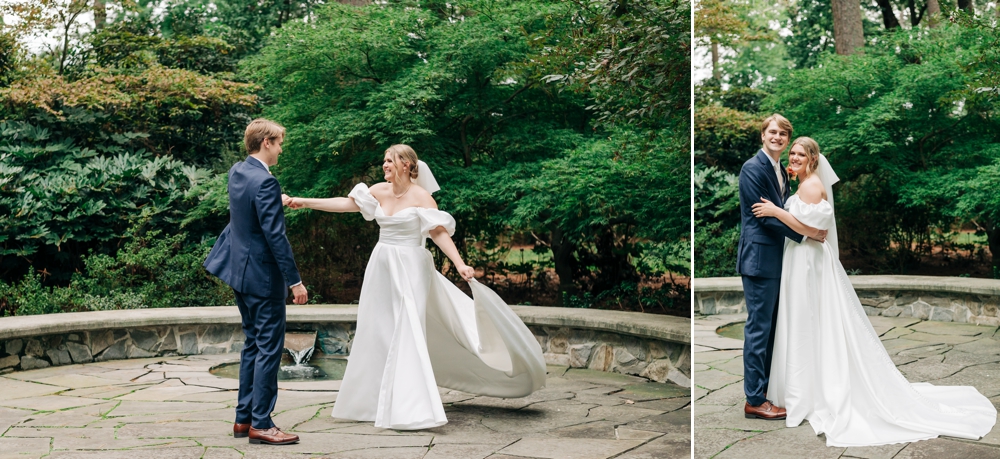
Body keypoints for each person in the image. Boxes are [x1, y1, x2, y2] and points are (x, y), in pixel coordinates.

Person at [751, 137, 997, 447]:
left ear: (813, 160)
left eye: (802, 154)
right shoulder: (801, 182)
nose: (795, 157)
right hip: (800, 260)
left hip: (808, 262)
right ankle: (802, 387)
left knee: (809, 319)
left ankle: (809, 393)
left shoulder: (812, 186)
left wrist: (775, 211)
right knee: (804, 320)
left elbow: (812, 231)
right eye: (793, 153)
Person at [284, 144, 546, 430]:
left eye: (390, 160)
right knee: (378, 330)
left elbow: (437, 232)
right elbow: (347, 204)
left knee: (407, 328)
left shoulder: (422, 197)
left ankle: (410, 407)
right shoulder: (379, 191)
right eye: (384, 160)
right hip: (382, 266)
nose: (384, 165)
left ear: (407, 165)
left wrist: (459, 264)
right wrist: (304, 201)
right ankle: (371, 403)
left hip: (412, 267)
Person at [204, 119, 307, 445]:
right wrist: (295, 282)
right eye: (278, 143)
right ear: (265, 142)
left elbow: (246, 216)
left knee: (253, 345)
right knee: (268, 350)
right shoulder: (265, 182)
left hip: (240, 274)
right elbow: (275, 237)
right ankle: (261, 423)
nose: (280, 149)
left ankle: (243, 419)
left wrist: (275, 197)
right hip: (262, 278)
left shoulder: (239, 172)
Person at [737, 114, 827, 421]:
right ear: (763, 135)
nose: (777, 137)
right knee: (759, 330)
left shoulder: (781, 171)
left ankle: (767, 392)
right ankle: (754, 399)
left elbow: (781, 210)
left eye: (782, 134)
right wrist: (807, 233)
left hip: (780, 260)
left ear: (787, 139)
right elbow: (763, 217)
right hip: (760, 261)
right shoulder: (753, 168)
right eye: (772, 132)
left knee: (774, 329)